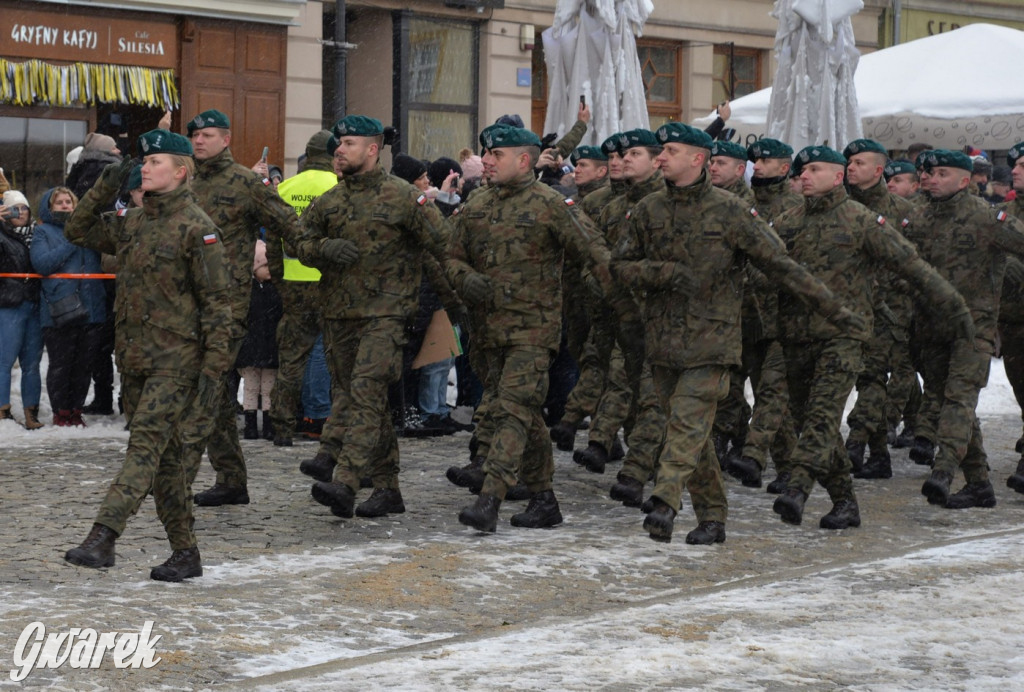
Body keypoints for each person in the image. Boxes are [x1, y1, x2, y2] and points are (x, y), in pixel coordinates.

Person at [612, 125, 866, 543]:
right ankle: (713, 517)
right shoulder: (648, 211)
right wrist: (662, 274)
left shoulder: (730, 211)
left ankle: (665, 501)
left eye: (670, 151)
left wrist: (835, 310)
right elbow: (619, 266)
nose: (660, 158)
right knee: (694, 434)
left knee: (686, 425)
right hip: (662, 342)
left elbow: (781, 265)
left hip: (713, 343)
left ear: (697, 158)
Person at [63, 129, 234, 581]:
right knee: (166, 462)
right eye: (144, 161)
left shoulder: (198, 228)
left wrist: (213, 374)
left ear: (181, 172)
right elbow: (76, 228)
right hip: (136, 361)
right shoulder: (135, 222)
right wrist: (107, 182)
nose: (146, 167)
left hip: (176, 364)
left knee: (143, 451)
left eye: (156, 162)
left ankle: (104, 536)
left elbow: (220, 305)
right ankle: (186, 552)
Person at [770, 145, 971, 529]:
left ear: (838, 176)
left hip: (843, 338)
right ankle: (845, 502)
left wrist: (955, 307)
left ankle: (797, 488)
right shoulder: (788, 220)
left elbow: (912, 265)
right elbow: (762, 265)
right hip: (794, 336)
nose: (805, 176)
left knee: (821, 416)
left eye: (814, 169)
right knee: (810, 423)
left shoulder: (861, 221)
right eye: (803, 171)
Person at [449, 123, 624, 533]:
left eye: (497, 156)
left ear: (524, 160)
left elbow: (595, 253)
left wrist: (621, 305)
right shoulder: (475, 206)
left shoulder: (551, 205)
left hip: (534, 332)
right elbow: (450, 257)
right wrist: (464, 279)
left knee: (511, 409)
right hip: (488, 333)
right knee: (525, 414)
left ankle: (490, 498)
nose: (487, 162)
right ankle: (545, 499)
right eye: (486, 155)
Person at [295, 115, 452, 520]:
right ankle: (388, 489)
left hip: (387, 315)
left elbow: (443, 242)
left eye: (347, 143)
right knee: (369, 402)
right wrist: (325, 248)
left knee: (365, 392)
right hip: (339, 315)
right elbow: (300, 241)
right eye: (338, 143)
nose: (339, 150)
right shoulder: (330, 199)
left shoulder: (403, 197)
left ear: (371, 149)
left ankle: (345, 481)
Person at [184, 109, 303, 507]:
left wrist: (287, 276)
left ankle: (180, 480)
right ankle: (231, 478)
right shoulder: (183, 180)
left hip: (227, 304)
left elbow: (287, 225)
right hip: (186, 302)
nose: (199, 140)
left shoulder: (246, 183)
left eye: (208, 135)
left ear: (227, 139)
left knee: (208, 386)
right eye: (195, 135)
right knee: (215, 395)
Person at [905, 149, 1024, 509]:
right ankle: (979, 484)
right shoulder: (919, 219)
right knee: (952, 405)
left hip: (975, 330)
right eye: (930, 172)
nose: (932, 178)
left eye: (943, 173)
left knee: (959, 400)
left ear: (964, 180)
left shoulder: (987, 218)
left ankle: (943, 471)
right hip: (931, 329)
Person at [724, 139, 804, 493]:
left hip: (778, 316)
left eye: (766, 162)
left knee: (771, 393)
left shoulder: (797, 207)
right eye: (755, 161)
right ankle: (744, 448)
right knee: (729, 390)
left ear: (784, 168)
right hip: (741, 312)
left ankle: (785, 466)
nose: (758, 165)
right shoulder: (742, 203)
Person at [840, 139, 916, 480]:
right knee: (862, 376)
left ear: (878, 170)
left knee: (871, 376)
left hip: (889, 312)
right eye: (849, 163)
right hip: (846, 309)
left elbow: (918, 265)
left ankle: (855, 443)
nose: (851, 168)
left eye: (858, 163)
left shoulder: (903, 212)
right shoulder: (840, 206)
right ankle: (879, 456)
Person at [266, 130, 337, 446]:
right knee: (326, 350)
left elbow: (271, 243)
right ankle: (319, 415)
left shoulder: (285, 188)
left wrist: (280, 280)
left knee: (291, 356)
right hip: (328, 281)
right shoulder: (338, 188)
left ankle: (281, 424)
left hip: (293, 282)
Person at [30, 187, 108, 426]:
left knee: (84, 367)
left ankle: (76, 410)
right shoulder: (43, 232)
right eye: (59, 202)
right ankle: (61, 412)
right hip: (59, 312)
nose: (65, 206)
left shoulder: (90, 231)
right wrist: (71, 241)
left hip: (92, 310)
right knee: (61, 366)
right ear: (49, 207)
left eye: (69, 202)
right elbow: (42, 264)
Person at [0, 189, 43, 429]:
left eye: (24, 207)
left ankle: (31, 413)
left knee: (32, 363)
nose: (20, 212)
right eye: (14, 208)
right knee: (4, 361)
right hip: (9, 304)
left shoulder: (37, 234)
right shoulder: (2, 235)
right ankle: (3, 412)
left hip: (34, 304)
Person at [236, 238, 282, 440]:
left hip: (269, 346)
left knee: (269, 388)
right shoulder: (248, 292)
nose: (268, 270)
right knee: (251, 388)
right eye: (264, 266)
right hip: (252, 348)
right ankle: (251, 424)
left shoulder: (276, 290)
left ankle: (268, 424)